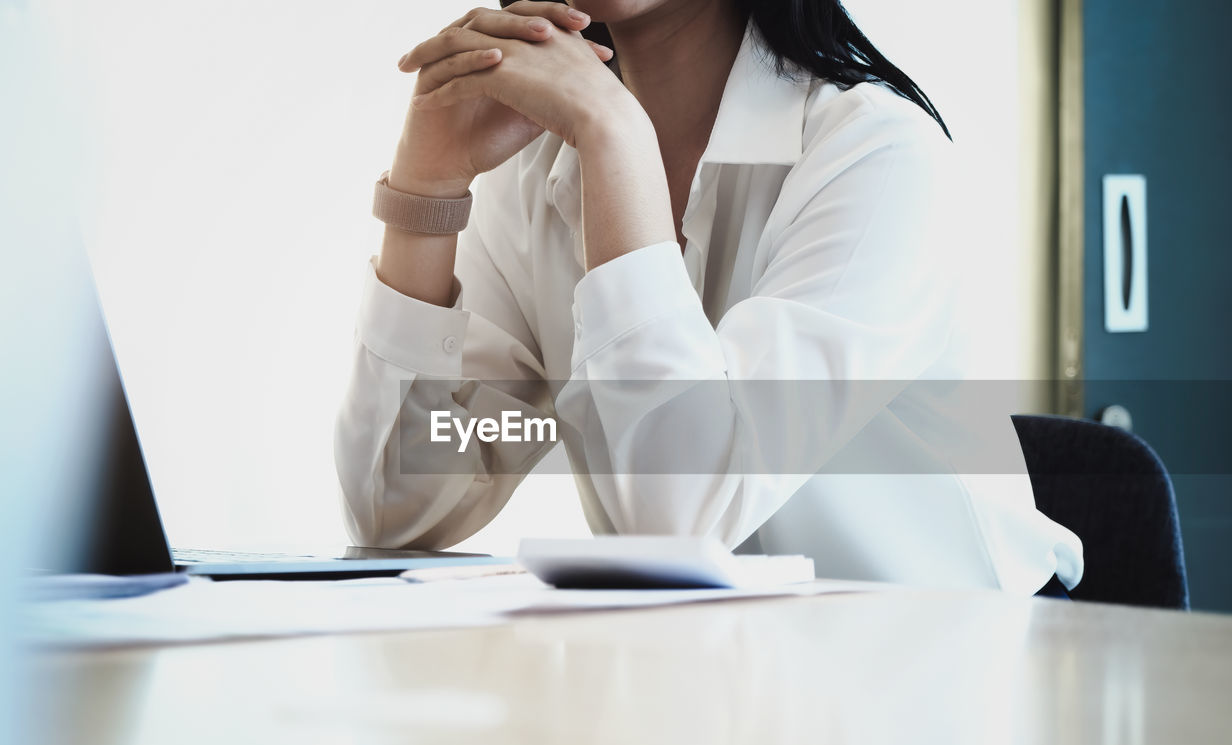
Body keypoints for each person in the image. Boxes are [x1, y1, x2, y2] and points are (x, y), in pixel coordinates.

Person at [335, 0, 1083, 595]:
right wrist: (428, 188)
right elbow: (400, 507)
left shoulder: (877, 155)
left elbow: (682, 516)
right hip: (725, 682)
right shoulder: (536, 169)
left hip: (951, 677)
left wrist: (615, 134)